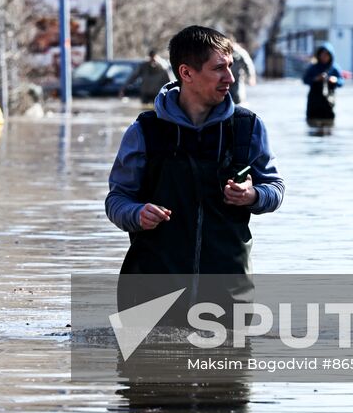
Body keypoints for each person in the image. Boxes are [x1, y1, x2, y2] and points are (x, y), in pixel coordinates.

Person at [105, 26, 284, 276]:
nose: (230, 78)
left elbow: (275, 188)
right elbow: (117, 200)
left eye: (230, 66)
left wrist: (253, 195)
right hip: (153, 287)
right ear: (186, 73)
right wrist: (136, 214)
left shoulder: (248, 127)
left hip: (228, 286)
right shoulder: (144, 131)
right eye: (219, 68)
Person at [302, 43, 343, 124]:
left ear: (330, 56)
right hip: (314, 103)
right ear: (319, 55)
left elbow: (341, 82)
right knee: (311, 122)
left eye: (326, 55)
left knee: (329, 123)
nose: (324, 57)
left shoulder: (334, 68)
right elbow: (305, 80)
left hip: (328, 103)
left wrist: (335, 80)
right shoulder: (313, 67)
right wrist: (316, 79)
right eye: (322, 54)